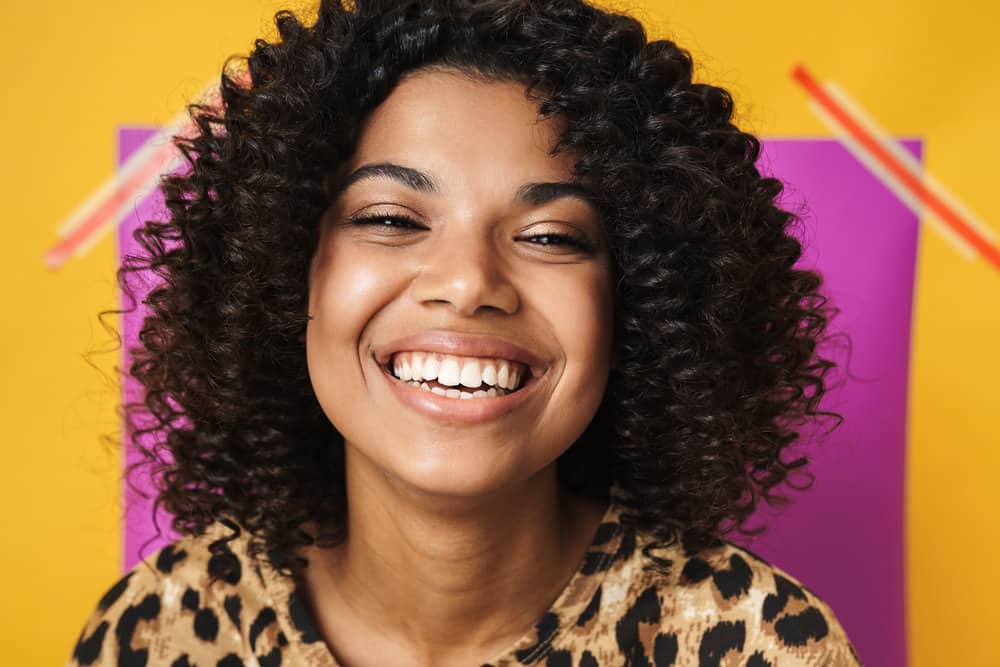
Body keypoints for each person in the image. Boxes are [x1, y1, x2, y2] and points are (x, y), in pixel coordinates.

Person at [68, 0, 862, 665]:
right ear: (286, 275)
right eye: (389, 218)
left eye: (551, 235)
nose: (468, 282)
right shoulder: (159, 629)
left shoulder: (753, 644)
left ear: (636, 308)